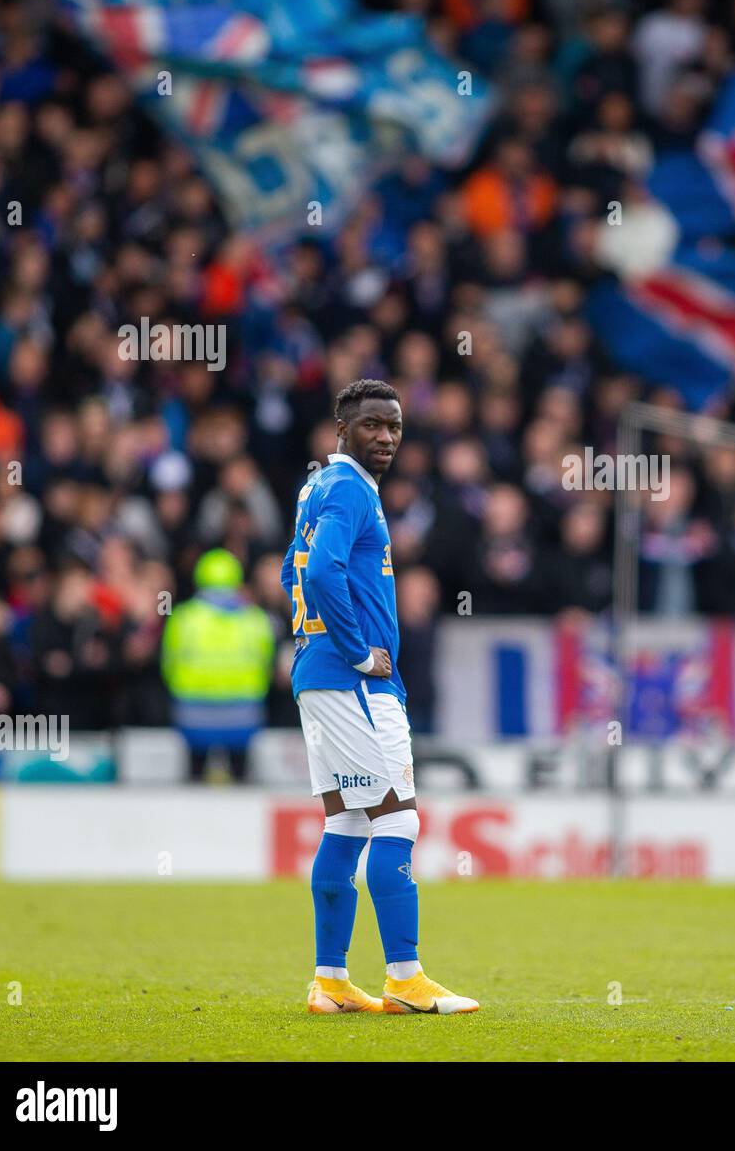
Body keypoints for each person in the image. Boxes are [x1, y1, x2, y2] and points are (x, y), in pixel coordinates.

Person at [282, 378, 478, 1016]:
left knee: (347, 821)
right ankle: (405, 978)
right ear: (342, 429)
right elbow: (317, 571)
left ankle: (331, 982)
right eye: (372, 424)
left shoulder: (319, 488)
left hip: (320, 674)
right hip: (353, 679)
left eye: (394, 426)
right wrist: (360, 650)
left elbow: (291, 569)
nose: (386, 437)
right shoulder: (346, 489)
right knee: (398, 819)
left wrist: (311, 635)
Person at [159, 548, 274, 783]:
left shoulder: (182, 617)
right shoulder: (255, 619)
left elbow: (168, 665)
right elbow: (267, 664)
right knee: (242, 780)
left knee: (195, 778)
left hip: (192, 714)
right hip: (244, 715)